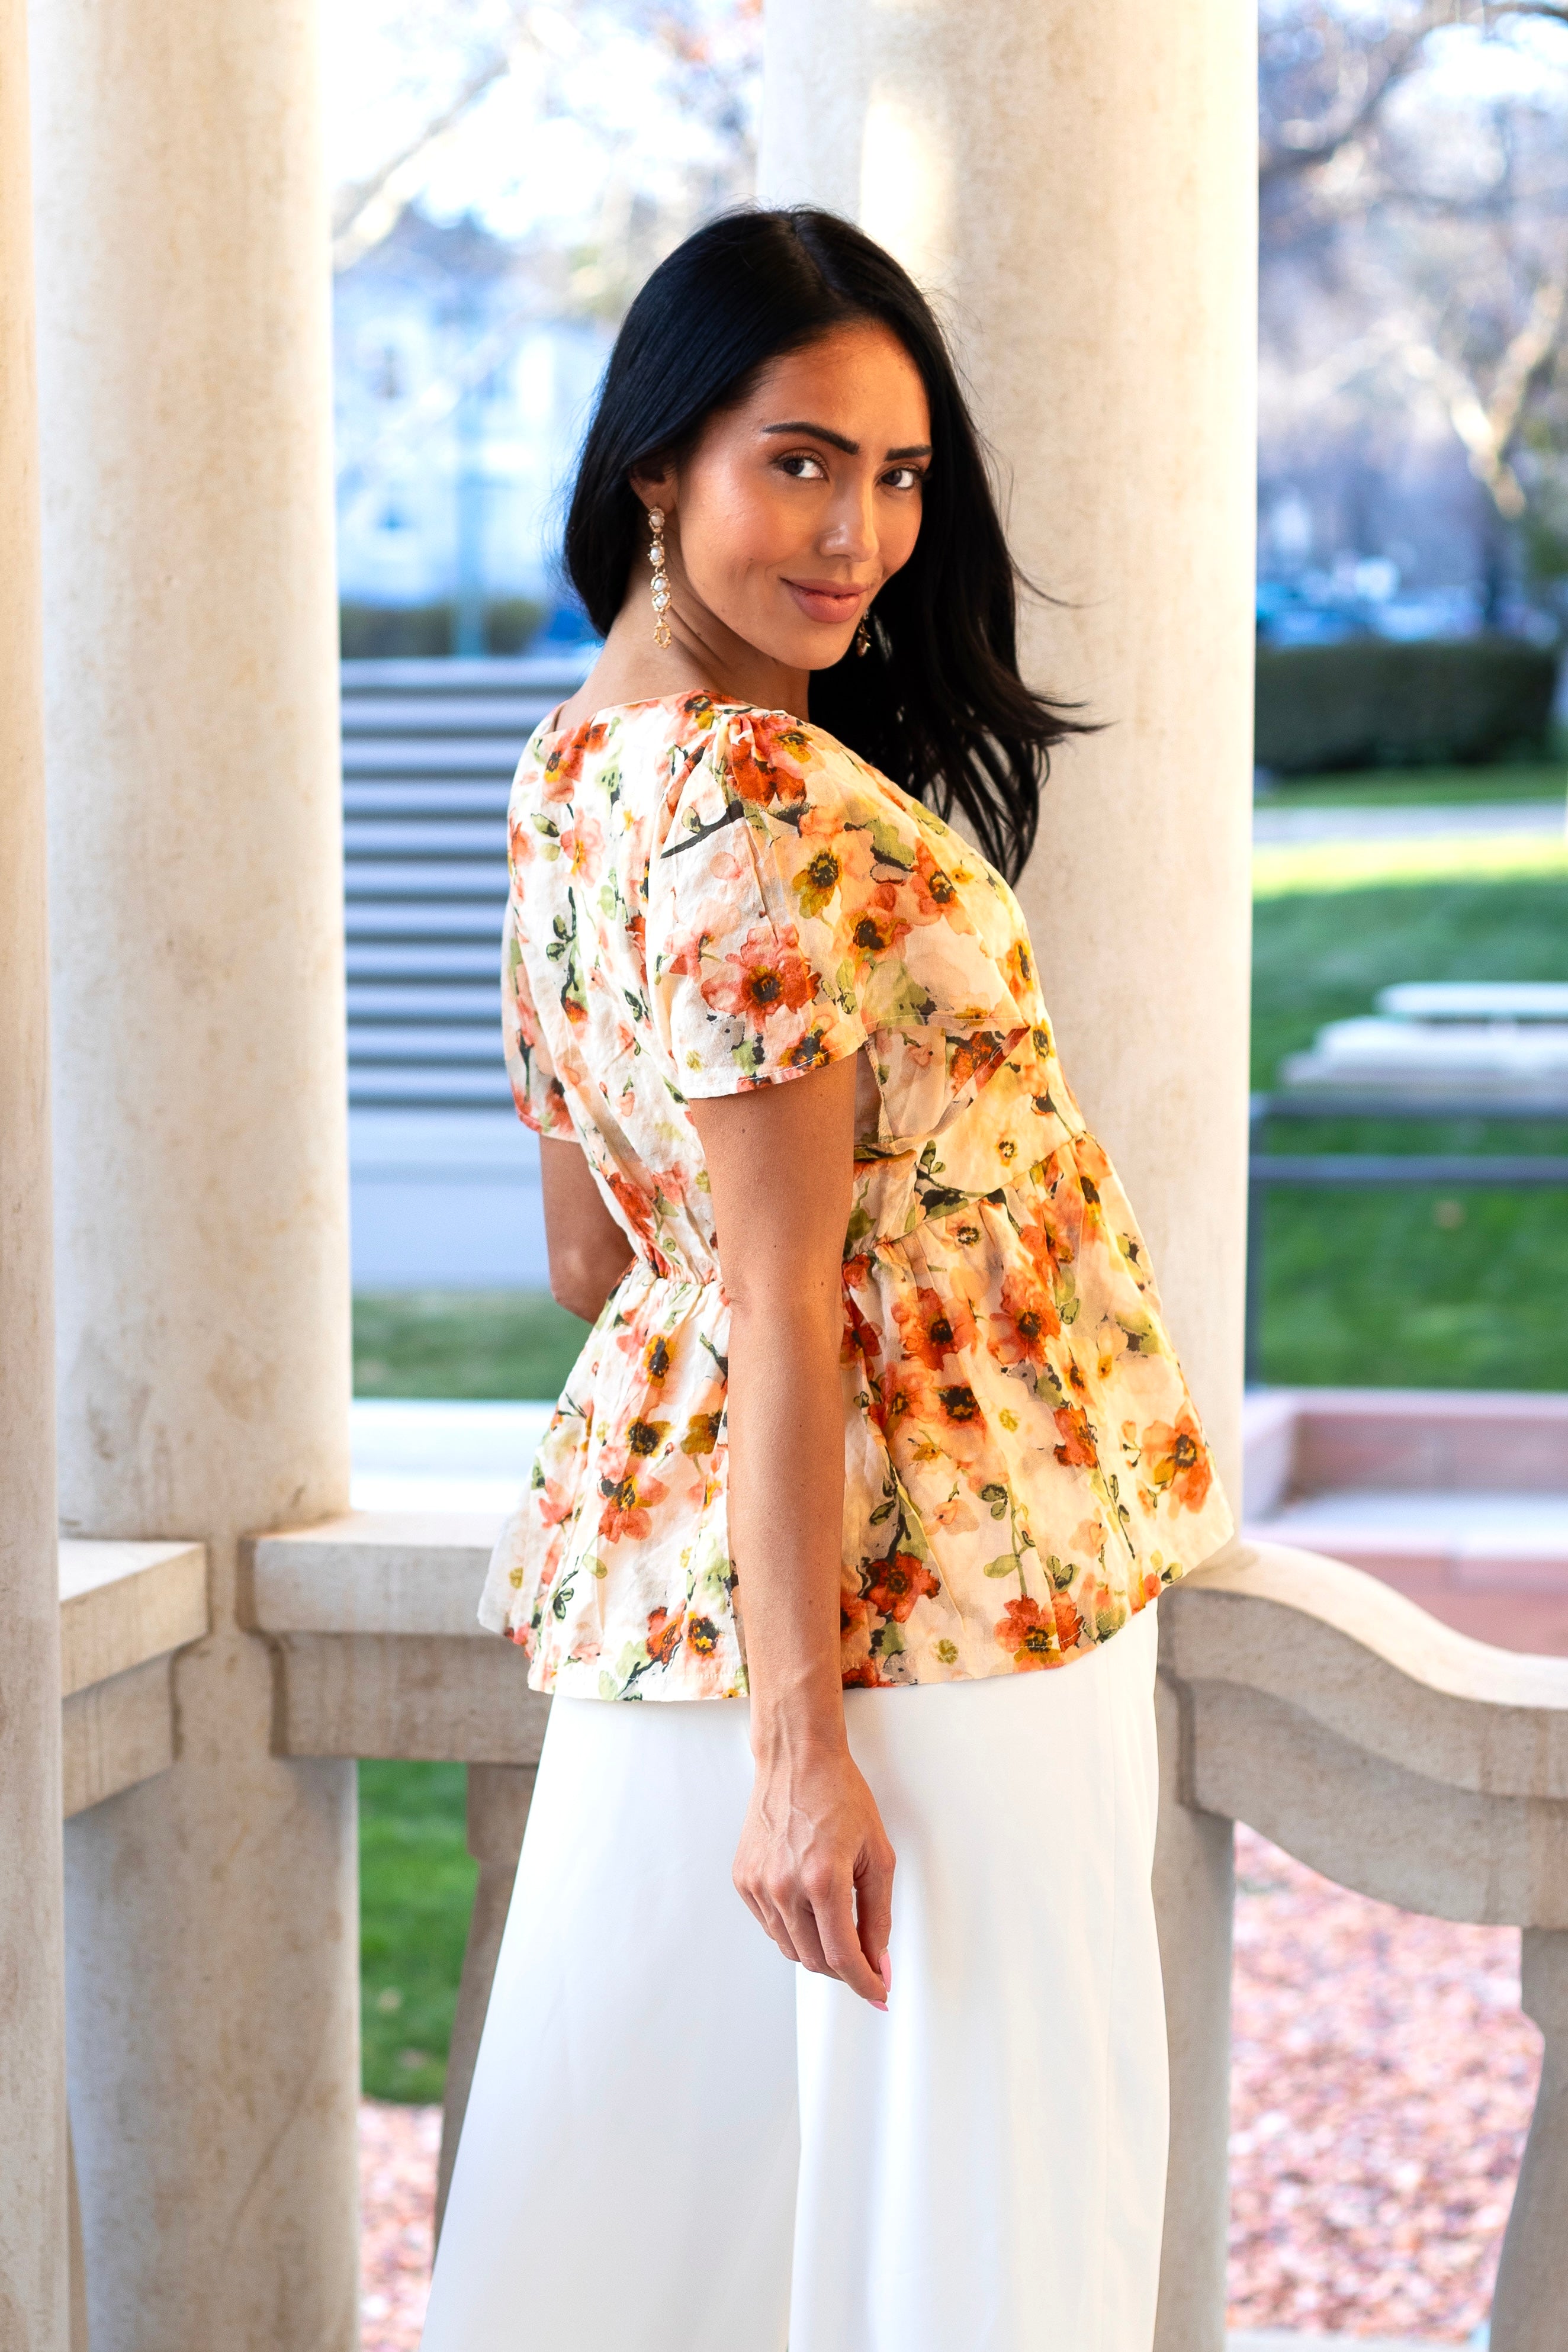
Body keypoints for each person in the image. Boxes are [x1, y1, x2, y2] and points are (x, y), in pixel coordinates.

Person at [421, 207, 1233, 2352]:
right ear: (653, 469)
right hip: (946, 1602)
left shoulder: (565, 775)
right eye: (797, 460)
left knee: (663, 2213)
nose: (857, 531)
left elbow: (600, 1244)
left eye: (896, 476)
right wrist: (807, 1755)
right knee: (976, 2210)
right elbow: (781, 1298)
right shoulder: (764, 800)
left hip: (689, 1586)